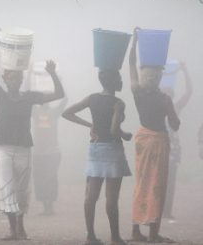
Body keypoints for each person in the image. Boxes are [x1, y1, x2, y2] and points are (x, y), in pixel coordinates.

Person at [0, 27, 64, 241]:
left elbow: (59, 94)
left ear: (21, 79)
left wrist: (52, 73)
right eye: (10, 78)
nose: (14, 81)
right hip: (3, 146)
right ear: (6, 79)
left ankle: (21, 228)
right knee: (6, 188)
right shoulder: (0, 95)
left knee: (21, 189)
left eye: (17, 78)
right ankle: (13, 230)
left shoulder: (29, 96)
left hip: (23, 147)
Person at [62, 69, 132, 245]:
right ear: (114, 81)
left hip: (95, 149)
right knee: (112, 197)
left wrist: (90, 125)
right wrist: (124, 135)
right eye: (119, 78)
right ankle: (115, 237)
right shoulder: (118, 103)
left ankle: (90, 236)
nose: (122, 81)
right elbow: (114, 130)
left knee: (91, 195)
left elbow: (67, 113)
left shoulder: (92, 98)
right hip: (112, 150)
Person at [129, 28, 180, 243]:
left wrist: (134, 42)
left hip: (143, 140)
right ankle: (153, 233)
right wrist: (171, 110)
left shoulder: (137, 91)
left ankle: (135, 230)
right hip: (158, 141)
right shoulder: (164, 99)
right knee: (157, 185)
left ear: (144, 76)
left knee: (141, 182)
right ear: (159, 77)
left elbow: (130, 64)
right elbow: (175, 125)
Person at [160, 62, 192, 223]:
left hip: (173, 149)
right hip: (159, 147)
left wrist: (185, 71)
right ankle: (158, 210)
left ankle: (167, 211)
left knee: (170, 180)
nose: (168, 96)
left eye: (169, 93)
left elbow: (188, 92)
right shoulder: (156, 107)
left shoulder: (176, 107)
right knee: (159, 180)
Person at [31, 96, 68, 215]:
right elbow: (28, 99)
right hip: (38, 152)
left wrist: (58, 81)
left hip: (52, 151)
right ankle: (46, 206)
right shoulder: (35, 111)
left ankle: (50, 205)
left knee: (50, 177)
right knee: (40, 179)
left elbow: (64, 100)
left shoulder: (53, 112)